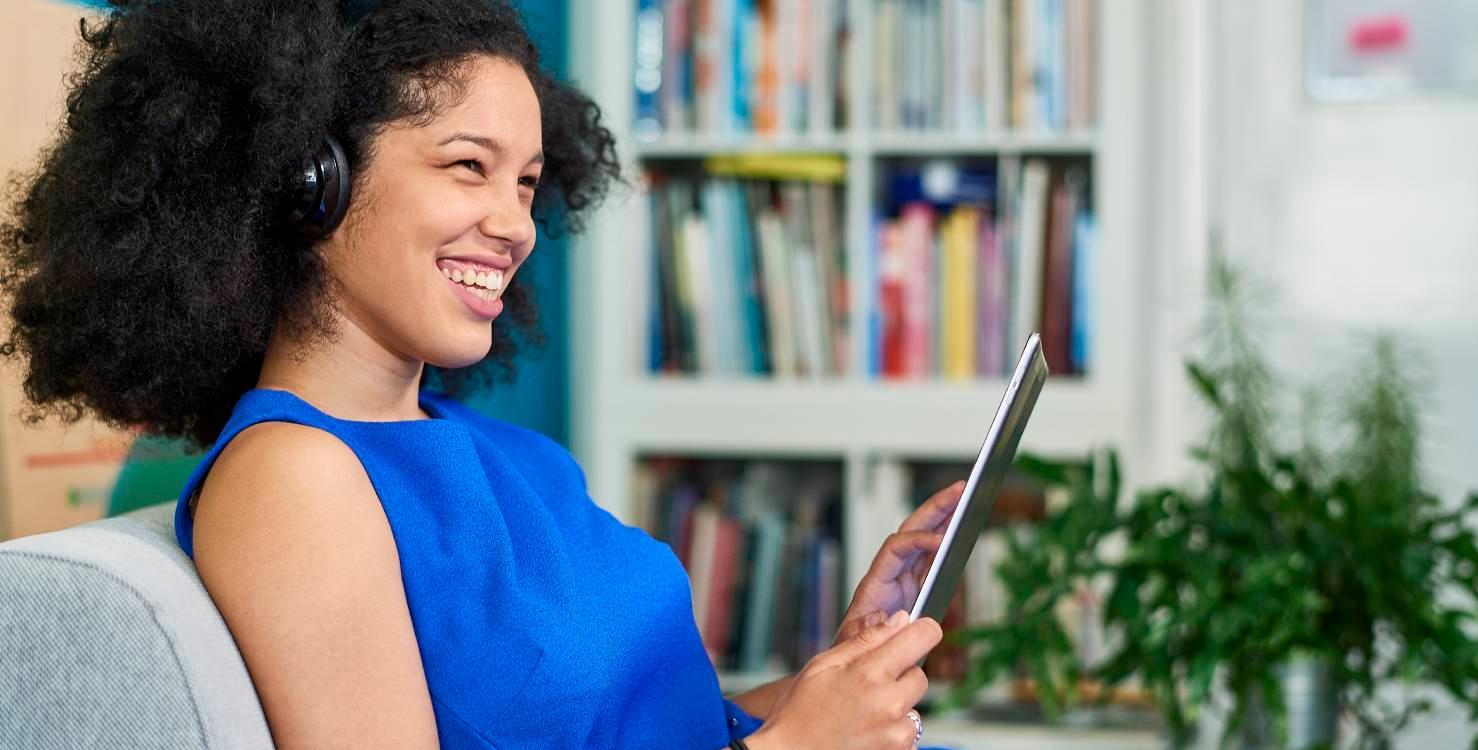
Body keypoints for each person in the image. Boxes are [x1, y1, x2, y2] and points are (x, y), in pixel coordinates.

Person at [0, 1, 964, 748]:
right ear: (312, 183)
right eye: (468, 166)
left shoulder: (501, 452)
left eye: (528, 182)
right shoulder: (294, 477)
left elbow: (653, 724)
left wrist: (833, 677)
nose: (514, 224)